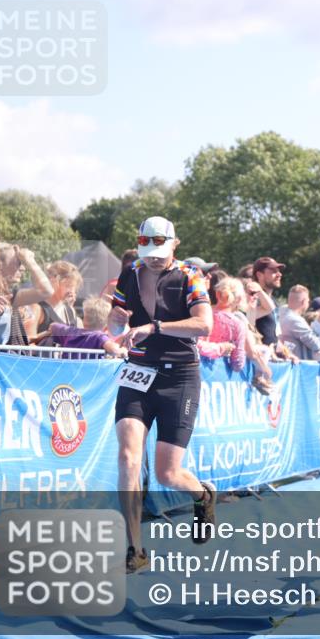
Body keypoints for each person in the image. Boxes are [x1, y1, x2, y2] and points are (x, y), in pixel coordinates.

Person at [108, 216, 216, 573]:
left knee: (169, 473)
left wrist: (154, 327)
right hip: (138, 373)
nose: (153, 258)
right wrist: (114, 326)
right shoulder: (130, 273)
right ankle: (134, 548)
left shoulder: (189, 275)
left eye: (160, 250)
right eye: (147, 250)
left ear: (175, 244)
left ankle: (202, 494)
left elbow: (204, 324)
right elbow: (115, 317)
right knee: (128, 458)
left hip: (180, 376)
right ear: (139, 245)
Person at [0, 242, 54, 346]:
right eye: (18, 262)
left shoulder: (9, 295)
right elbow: (46, 291)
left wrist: (36, 338)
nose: (23, 268)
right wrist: (29, 260)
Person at [39, 297, 127, 358]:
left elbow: (53, 326)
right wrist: (123, 349)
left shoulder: (70, 331)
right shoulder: (99, 337)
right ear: (106, 324)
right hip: (88, 378)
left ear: (84, 319)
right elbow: (114, 350)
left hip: (67, 375)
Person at [23, 260, 83, 340]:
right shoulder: (36, 307)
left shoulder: (70, 311)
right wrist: (47, 334)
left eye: (74, 287)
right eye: (68, 285)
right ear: (53, 280)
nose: (72, 291)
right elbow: (27, 344)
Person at [198, 276, 247, 372]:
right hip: (218, 377)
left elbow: (194, 344)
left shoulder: (201, 314)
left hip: (195, 370)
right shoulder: (238, 325)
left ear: (217, 294)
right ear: (240, 299)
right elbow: (237, 364)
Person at [251, 256, 284, 347]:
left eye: (279, 271)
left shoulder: (274, 301)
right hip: (258, 357)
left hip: (272, 357)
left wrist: (286, 352)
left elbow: (274, 334)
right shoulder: (253, 299)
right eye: (273, 271)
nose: (279, 274)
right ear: (259, 275)